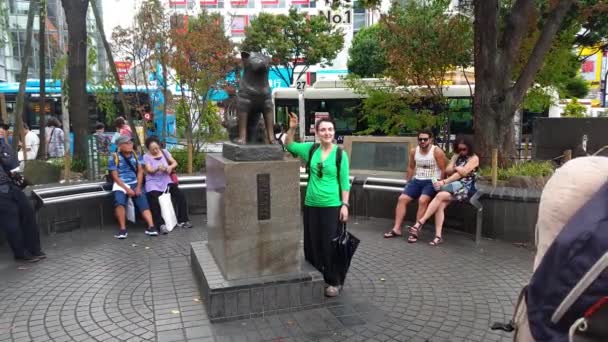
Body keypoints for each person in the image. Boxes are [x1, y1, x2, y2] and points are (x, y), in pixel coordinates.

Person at [285, 112, 351, 298]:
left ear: (334, 132)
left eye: (330, 129)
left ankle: (333, 281)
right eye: (323, 130)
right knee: (312, 242)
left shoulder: (340, 154)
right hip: (311, 204)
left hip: (331, 204)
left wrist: (345, 205)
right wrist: (292, 128)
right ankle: (315, 276)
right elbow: (289, 144)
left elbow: (344, 182)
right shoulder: (311, 149)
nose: (327, 133)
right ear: (317, 133)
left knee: (329, 244)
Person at [406, 136, 479, 246]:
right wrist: (457, 168)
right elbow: (448, 169)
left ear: (470, 148)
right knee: (440, 204)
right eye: (459, 149)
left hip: (465, 188)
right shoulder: (456, 156)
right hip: (453, 187)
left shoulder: (474, 158)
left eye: (464, 149)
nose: (462, 152)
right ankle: (438, 236)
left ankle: (420, 222)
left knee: (440, 196)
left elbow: (463, 173)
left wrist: (445, 181)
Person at [383, 130, 447, 242]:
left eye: (425, 139)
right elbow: (411, 167)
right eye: (420, 139)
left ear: (430, 140)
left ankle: (415, 231)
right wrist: (408, 182)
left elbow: (443, 169)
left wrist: (441, 183)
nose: (422, 141)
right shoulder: (414, 151)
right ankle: (396, 228)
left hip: (432, 180)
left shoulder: (437, 151)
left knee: (422, 200)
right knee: (402, 199)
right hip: (417, 180)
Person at [0, 120, 46, 262]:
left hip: (12, 186)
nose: (2, 130)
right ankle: (20, 253)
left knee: (28, 212)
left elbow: (12, 167)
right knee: (11, 219)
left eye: (3, 128)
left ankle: (34, 249)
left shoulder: (5, 146)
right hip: (2, 190)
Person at [108, 135, 156, 238]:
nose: (130, 145)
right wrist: (126, 189)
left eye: (131, 142)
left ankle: (151, 227)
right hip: (121, 184)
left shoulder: (136, 155)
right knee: (119, 202)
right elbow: (115, 176)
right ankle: (123, 229)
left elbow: (140, 172)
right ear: (120, 146)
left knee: (143, 201)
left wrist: (138, 187)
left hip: (135, 182)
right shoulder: (114, 157)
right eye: (127, 143)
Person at [143, 136, 192, 234]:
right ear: (149, 149)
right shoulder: (146, 156)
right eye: (153, 149)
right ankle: (161, 224)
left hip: (166, 180)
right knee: (154, 200)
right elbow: (149, 170)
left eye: (157, 148)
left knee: (180, 195)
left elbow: (174, 163)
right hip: (153, 182)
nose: (156, 151)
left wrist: (169, 167)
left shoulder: (164, 152)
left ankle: (183, 220)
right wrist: (157, 168)